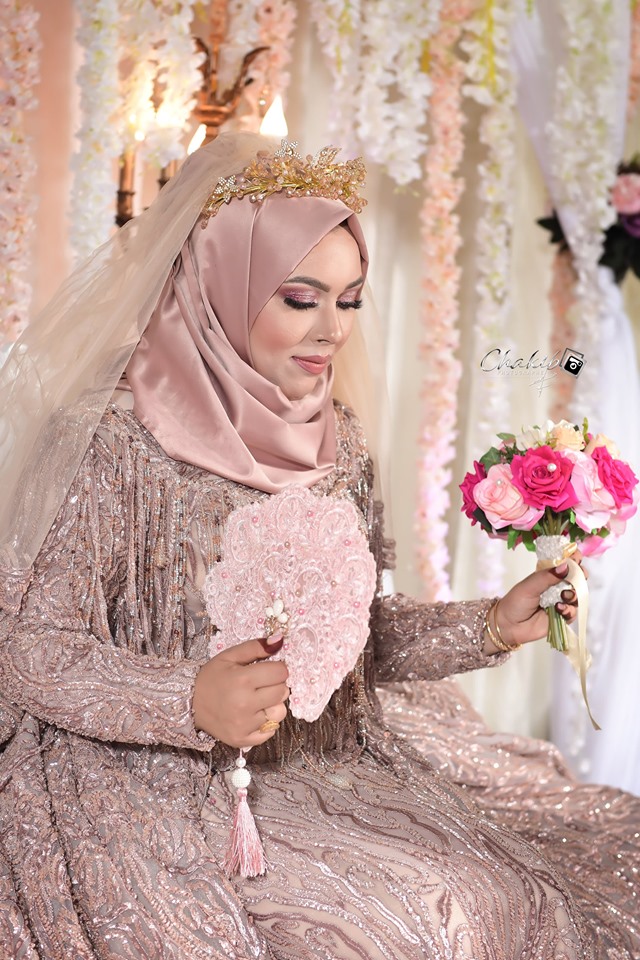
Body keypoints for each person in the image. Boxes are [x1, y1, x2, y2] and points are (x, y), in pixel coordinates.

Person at [0, 131, 637, 960]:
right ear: (219, 286)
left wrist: (490, 624)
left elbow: (354, 639)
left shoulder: (340, 440)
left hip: (324, 761)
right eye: (301, 298)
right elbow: (33, 652)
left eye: (350, 300)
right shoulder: (109, 439)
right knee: (397, 932)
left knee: (519, 890)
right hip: (151, 776)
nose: (333, 329)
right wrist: (186, 699)